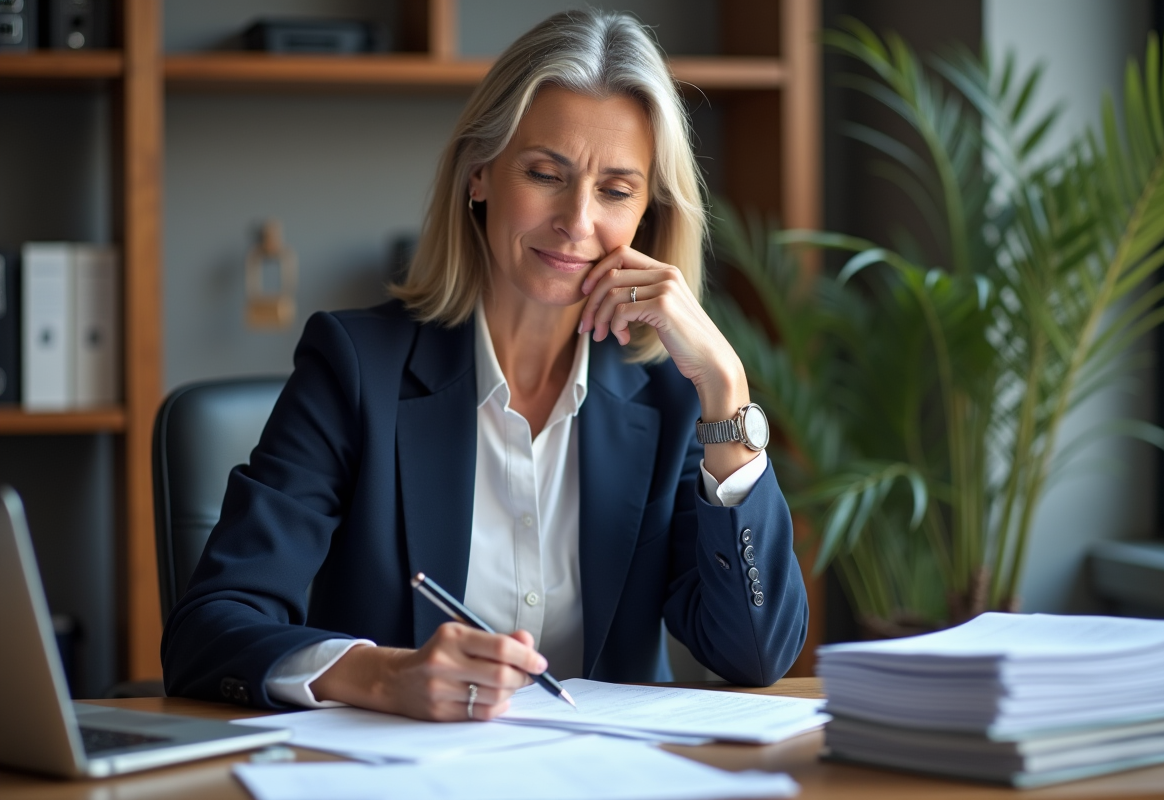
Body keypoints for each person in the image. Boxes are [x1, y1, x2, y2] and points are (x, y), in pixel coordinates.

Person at [162, 8, 808, 722]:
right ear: (480, 175)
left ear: (647, 217)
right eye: (545, 173)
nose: (577, 221)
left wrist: (728, 394)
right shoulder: (354, 370)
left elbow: (755, 653)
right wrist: (380, 675)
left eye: (616, 190)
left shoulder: (673, 396)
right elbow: (208, 631)